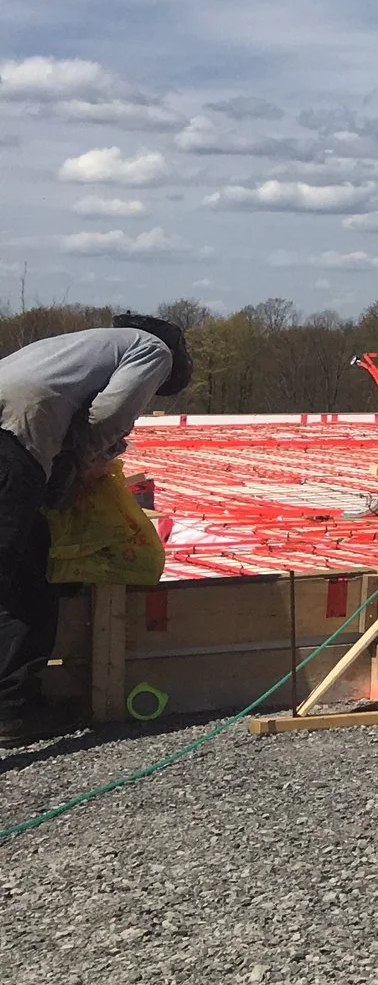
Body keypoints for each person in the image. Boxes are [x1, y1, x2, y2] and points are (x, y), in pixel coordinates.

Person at [0, 315, 190, 747]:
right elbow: (108, 415)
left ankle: (14, 705)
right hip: (12, 445)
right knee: (15, 576)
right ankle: (11, 709)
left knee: (27, 565)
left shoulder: (85, 345)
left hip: (12, 433)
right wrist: (80, 465)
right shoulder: (151, 350)